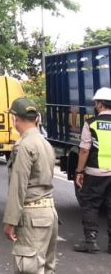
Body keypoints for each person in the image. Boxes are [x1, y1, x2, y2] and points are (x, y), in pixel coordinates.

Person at [2, 97, 58, 274]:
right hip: (49, 214)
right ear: (37, 119)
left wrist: (10, 221)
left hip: (32, 217)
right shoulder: (45, 143)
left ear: (14, 119)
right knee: (47, 268)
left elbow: (18, 186)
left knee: (29, 268)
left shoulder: (24, 146)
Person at [73, 87, 111, 253]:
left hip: (95, 172)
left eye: (96, 102)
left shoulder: (91, 123)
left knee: (90, 204)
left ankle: (90, 240)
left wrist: (79, 172)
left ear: (100, 104)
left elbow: (84, 150)